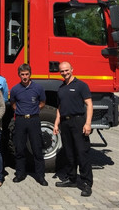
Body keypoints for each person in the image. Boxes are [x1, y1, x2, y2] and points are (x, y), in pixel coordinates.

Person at [53, 61, 94, 197]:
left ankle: (86, 183)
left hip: (78, 121)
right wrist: (56, 124)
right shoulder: (61, 88)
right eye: (62, 71)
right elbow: (59, 108)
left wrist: (88, 123)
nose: (64, 73)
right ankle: (71, 179)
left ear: (72, 69)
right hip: (65, 123)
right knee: (69, 153)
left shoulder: (81, 86)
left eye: (66, 70)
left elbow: (89, 104)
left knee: (82, 153)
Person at [9, 63, 48, 186]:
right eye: (22, 74)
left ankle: (40, 176)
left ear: (30, 74)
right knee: (19, 148)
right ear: (19, 75)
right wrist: (21, 112)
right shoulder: (15, 89)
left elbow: (42, 102)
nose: (25, 76)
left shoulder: (38, 88)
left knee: (37, 148)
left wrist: (34, 110)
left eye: (26, 74)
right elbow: (13, 104)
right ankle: (20, 174)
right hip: (20, 120)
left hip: (34, 120)